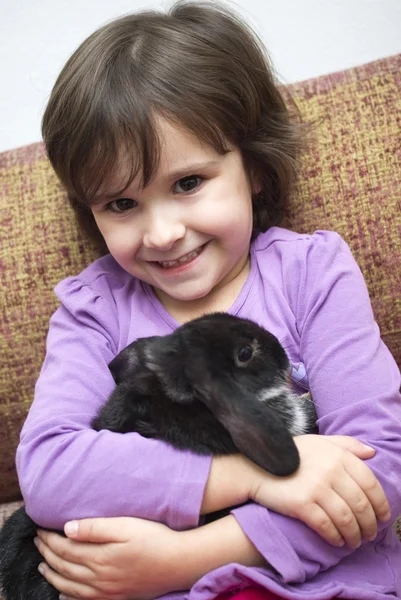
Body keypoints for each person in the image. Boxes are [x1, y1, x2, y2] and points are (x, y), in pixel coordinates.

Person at [16, 2, 401, 599]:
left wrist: (190, 557)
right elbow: (48, 473)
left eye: (188, 183)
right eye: (121, 204)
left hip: (313, 584)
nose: (162, 232)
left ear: (254, 167)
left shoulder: (311, 273)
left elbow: (380, 471)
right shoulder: (94, 310)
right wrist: (251, 476)